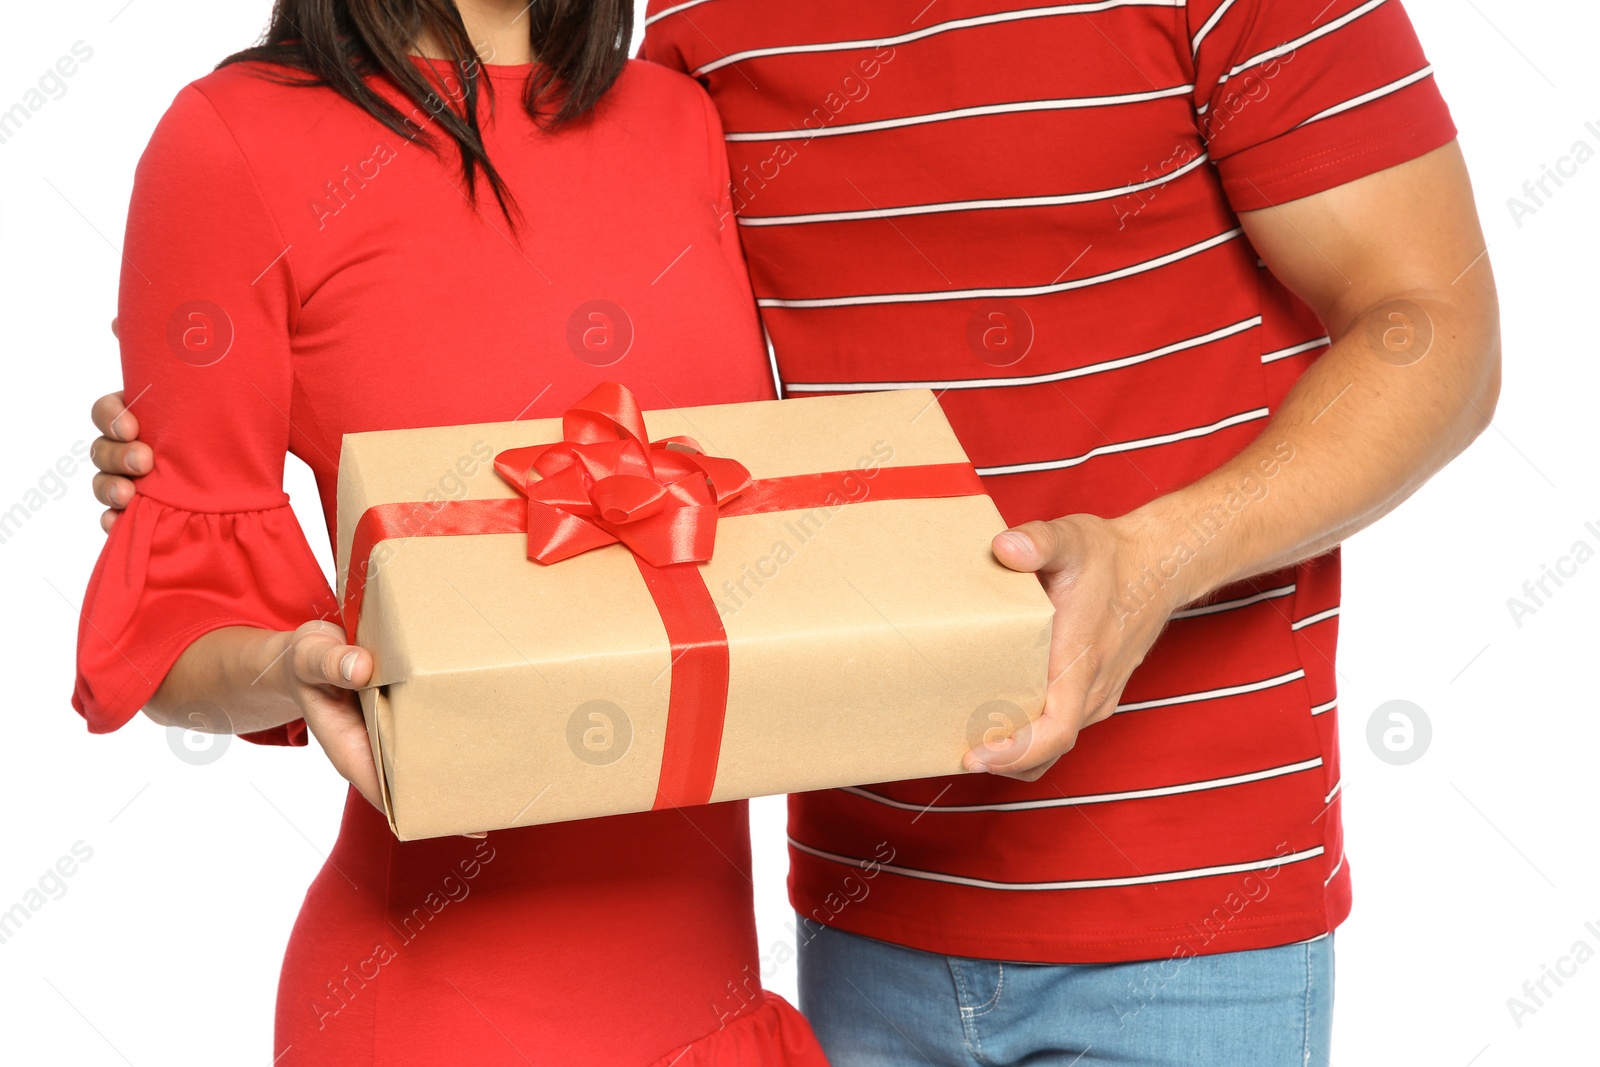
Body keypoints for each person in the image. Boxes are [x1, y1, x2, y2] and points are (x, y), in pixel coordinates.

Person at [90, 0, 1502, 1063]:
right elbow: (226, 555)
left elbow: (1435, 333)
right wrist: (234, 520)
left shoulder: (665, 105)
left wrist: (1159, 556)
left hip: (1178, 918)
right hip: (838, 909)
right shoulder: (707, 52)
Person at [69, 1, 830, 1064]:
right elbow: (176, 624)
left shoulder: (680, 117)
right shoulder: (234, 139)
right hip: (439, 1012)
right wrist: (300, 667)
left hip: (712, 999)